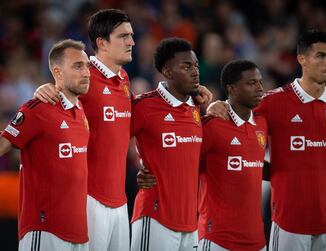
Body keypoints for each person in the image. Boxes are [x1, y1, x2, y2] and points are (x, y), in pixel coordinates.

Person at [34, 8, 212, 251]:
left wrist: (146, 162)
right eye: (123, 36)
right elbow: (56, 99)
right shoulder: (83, 76)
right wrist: (45, 89)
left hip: (119, 202)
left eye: (131, 35)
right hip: (88, 197)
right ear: (102, 43)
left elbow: (132, 128)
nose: (132, 41)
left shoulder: (124, 80)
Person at [207, 29, 326, 251]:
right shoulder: (274, 102)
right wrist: (219, 104)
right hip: (289, 225)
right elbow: (238, 111)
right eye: (320, 56)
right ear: (302, 59)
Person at [0, 39, 91, 250]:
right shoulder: (38, 108)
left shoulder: (80, 111)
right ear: (58, 73)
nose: (86, 72)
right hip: (45, 230)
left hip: (79, 233)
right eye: (78, 66)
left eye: (86, 65)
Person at [130, 38, 202, 251]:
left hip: (191, 223)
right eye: (186, 66)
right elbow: (110, 140)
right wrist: (132, 167)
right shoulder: (144, 106)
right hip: (155, 218)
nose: (195, 71)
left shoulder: (197, 108)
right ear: (168, 72)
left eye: (196, 66)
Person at [198, 59, 267, 251]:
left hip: (257, 241)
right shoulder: (211, 125)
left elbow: (256, 166)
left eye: (260, 82)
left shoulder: (262, 123)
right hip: (218, 240)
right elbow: (185, 164)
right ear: (232, 89)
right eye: (251, 83)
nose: (260, 88)